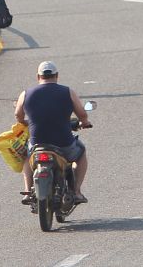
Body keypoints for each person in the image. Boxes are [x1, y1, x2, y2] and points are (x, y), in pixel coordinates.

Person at [14, 61, 91, 204]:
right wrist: (85, 123)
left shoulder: (25, 94)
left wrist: (26, 122)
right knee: (81, 152)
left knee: (26, 155)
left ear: (38, 76)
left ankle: (27, 191)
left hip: (37, 144)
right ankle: (77, 191)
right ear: (56, 76)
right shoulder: (67, 92)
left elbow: (18, 115)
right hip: (64, 145)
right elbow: (82, 115)